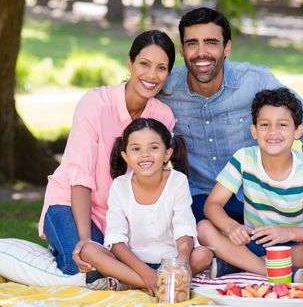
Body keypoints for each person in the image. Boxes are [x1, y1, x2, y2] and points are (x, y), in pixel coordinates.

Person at [157, 7, 303, 223]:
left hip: (256, 198)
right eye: (192, 43)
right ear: (182, 50)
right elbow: (132, 111)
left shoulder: (255, 81)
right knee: (202, 236)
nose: (201, 52)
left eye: (211, 42)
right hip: (199, 198)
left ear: (226, 47)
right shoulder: (166, 90)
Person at [38, 30, 177, 279]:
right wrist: (84, 240)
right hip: (69, 204)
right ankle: (150, 281)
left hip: (118, 216)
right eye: (144, 64)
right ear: (130, 63)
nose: (152, 75)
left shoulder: (163, 116)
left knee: (117, 266)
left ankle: (139, 277)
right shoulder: (96, 103)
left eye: (161, 68)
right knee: (83, 269)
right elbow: (79, 176)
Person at [197, 88, 303, 279]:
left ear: (297, 131)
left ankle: (239, 264)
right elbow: (212, 205)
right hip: (252, 241)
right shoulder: (244, 159)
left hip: (293, 246)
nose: (273, 132)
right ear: (254, 131)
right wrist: (232, 227)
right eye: (265, 125)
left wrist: (288, 233)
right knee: (203, 228)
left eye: (283, 125)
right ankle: (269, 271)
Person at [79, 118, 213, 294]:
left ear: (167, 153)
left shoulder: (177, 181)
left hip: (171, 262)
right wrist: (147, 274)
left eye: (154, 147)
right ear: (125, 156)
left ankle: (133, 283)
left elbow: (184, 228)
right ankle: (155, 283)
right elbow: (116, 240)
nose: (145, 155)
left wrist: (183, 261)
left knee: (204, 255)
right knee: (88, 250)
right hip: (132, 263)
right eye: (136, 149)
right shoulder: (120, 186)